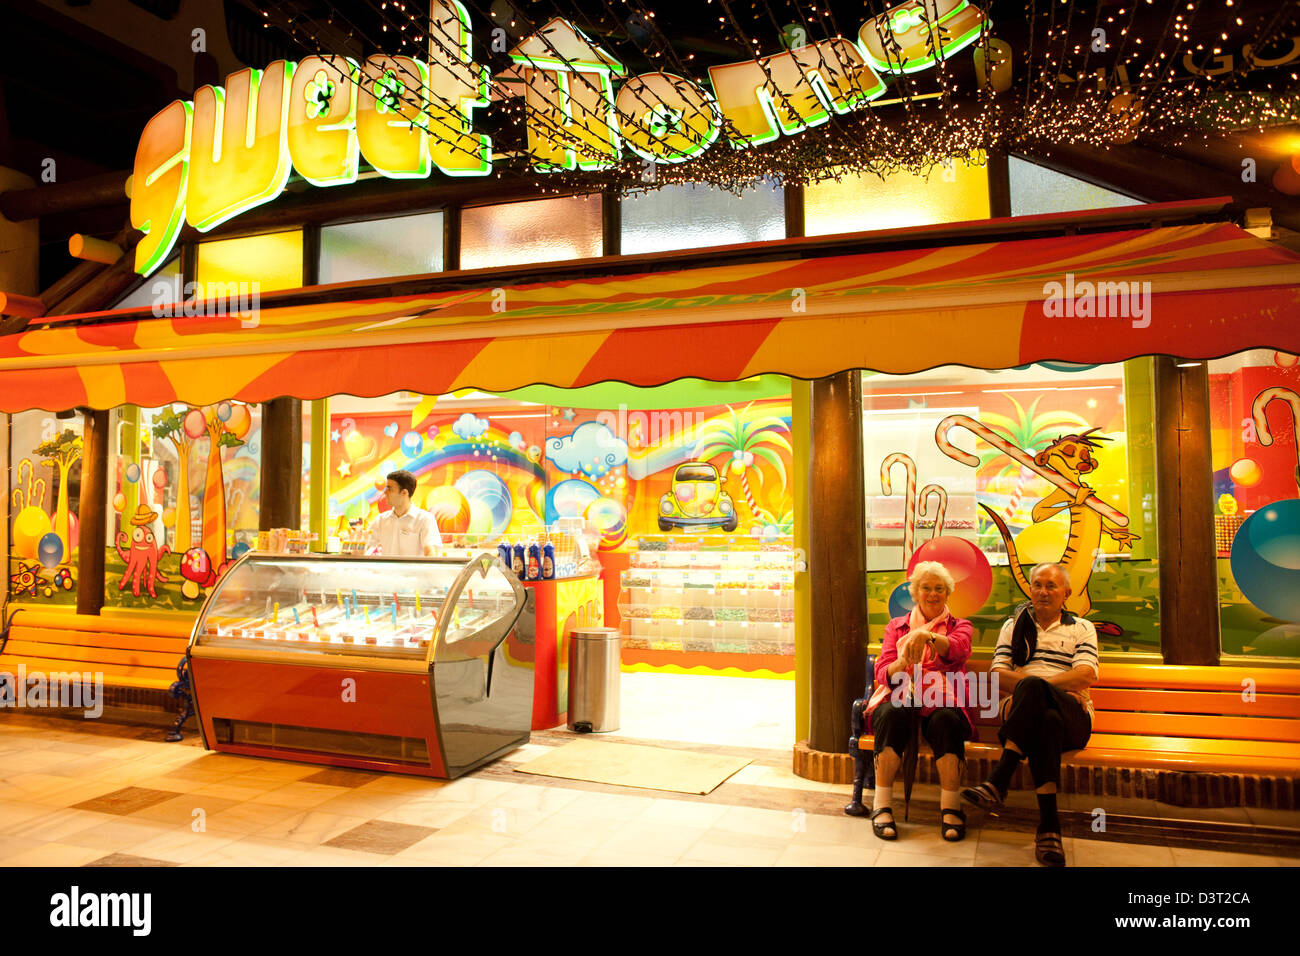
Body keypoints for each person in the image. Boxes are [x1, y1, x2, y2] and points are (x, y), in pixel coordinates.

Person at [962, 562, 1098, 867]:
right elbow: (997, 676)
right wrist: (1046, 688)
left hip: (1072, 718)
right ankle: (1049, 828)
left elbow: (1085, 676)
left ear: (1067, 593)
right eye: (1037, 584)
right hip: (1028, 716)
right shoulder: (1013, 627)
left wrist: (1038, 686)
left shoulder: (1081, 628)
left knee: (1040, 697)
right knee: (1044, 721)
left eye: (1051, 586)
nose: (1043, 591)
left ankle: (999, 778)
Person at [868, 560, 974, 842]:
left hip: (943, 700)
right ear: (915, 592)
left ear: (948, 592)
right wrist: (903, 660)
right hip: (902, 695)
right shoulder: (896, 626)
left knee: (947, 720)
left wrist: (925, 636)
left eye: (939, 588)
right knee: (893, 713)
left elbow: (959, 651)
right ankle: (882, 804)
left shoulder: (959, 626)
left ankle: (951, 807)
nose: (933, 593)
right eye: (926, 587)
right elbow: (882, 673)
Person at [366, 469, 441, 556]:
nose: (385, 492)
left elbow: (431, 552)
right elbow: (367, 548)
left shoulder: (425, 519)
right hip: (385, 569)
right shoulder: (381, 520)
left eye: (389, 489)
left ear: (404, 492)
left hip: (414, 570)